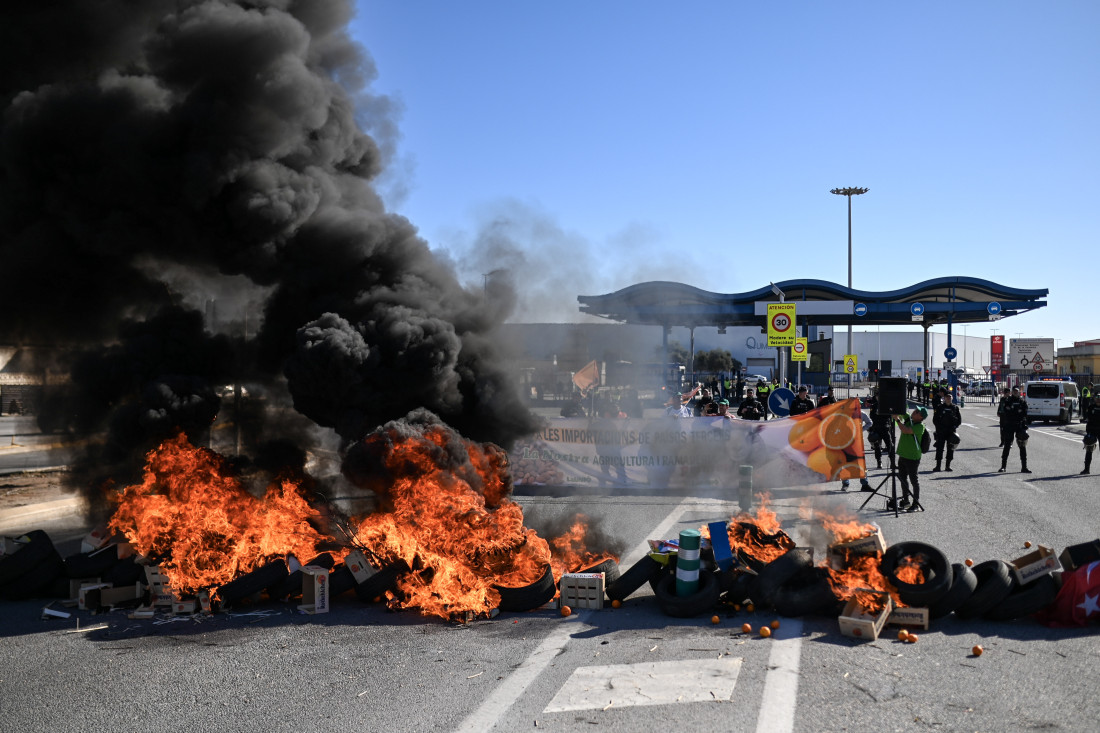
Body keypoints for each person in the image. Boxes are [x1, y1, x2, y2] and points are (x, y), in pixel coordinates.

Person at [889, 406, 927, 512]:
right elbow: (903, 412)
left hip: (912, 457)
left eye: (917, 412)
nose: (914, 412)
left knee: (914, 481)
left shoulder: (920, 426)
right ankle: (906, 500)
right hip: (903, 455)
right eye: (915, 410)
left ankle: (916, 504)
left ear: (921, 416)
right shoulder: (910, 419)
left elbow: (905, 430)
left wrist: (897, 419)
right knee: (902, 478)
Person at [999, 386, 1030, 473]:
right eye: (1014, 391)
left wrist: (1020, 417)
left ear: (1019, 391)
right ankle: (1003, 466)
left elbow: (1025, 413)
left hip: (1019, 425)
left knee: (1022, 446)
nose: (1016, 392)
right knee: (1007, 445)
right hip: (1009, 425)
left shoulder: (1022, 401)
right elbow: (1006, 411)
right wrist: (1016, 412)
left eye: (1017, 391)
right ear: (1012, 392)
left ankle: (1024, 467)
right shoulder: (1008, 401)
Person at [932, 391, 962, 472]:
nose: (948, 398)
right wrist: (938, 429)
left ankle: (947, 466)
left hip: (951, 432)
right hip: (941, 431)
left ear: (952, 398)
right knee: (939, 449)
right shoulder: (939, 407)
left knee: (950, 449)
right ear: (944, 398)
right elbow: (935, 419)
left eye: (950, 397)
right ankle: (938, 466)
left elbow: (959, 420)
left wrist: (955, 426)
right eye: (947, 397)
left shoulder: (955, 408)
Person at [866, 387, 892, 471]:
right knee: (877, 447)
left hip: (885, 428)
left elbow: (889, 416)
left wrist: (881, 415)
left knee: (889, 445)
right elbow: (872, 417)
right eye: (877, 396)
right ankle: (879, 462)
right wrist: (878, 415)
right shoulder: (874, 406)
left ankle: (892, 462)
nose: (878, 398)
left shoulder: (886, 406)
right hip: (876, 428)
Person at [1082, 392, 1100, 474]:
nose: (1098, 400)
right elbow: (1088, 418)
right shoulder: (1091, 407)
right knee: (1089, 450)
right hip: (1092, 430)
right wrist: (1088, 431)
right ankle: (1087, 469)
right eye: (1097, 398)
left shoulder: (1091, 407)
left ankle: (1086, 469)